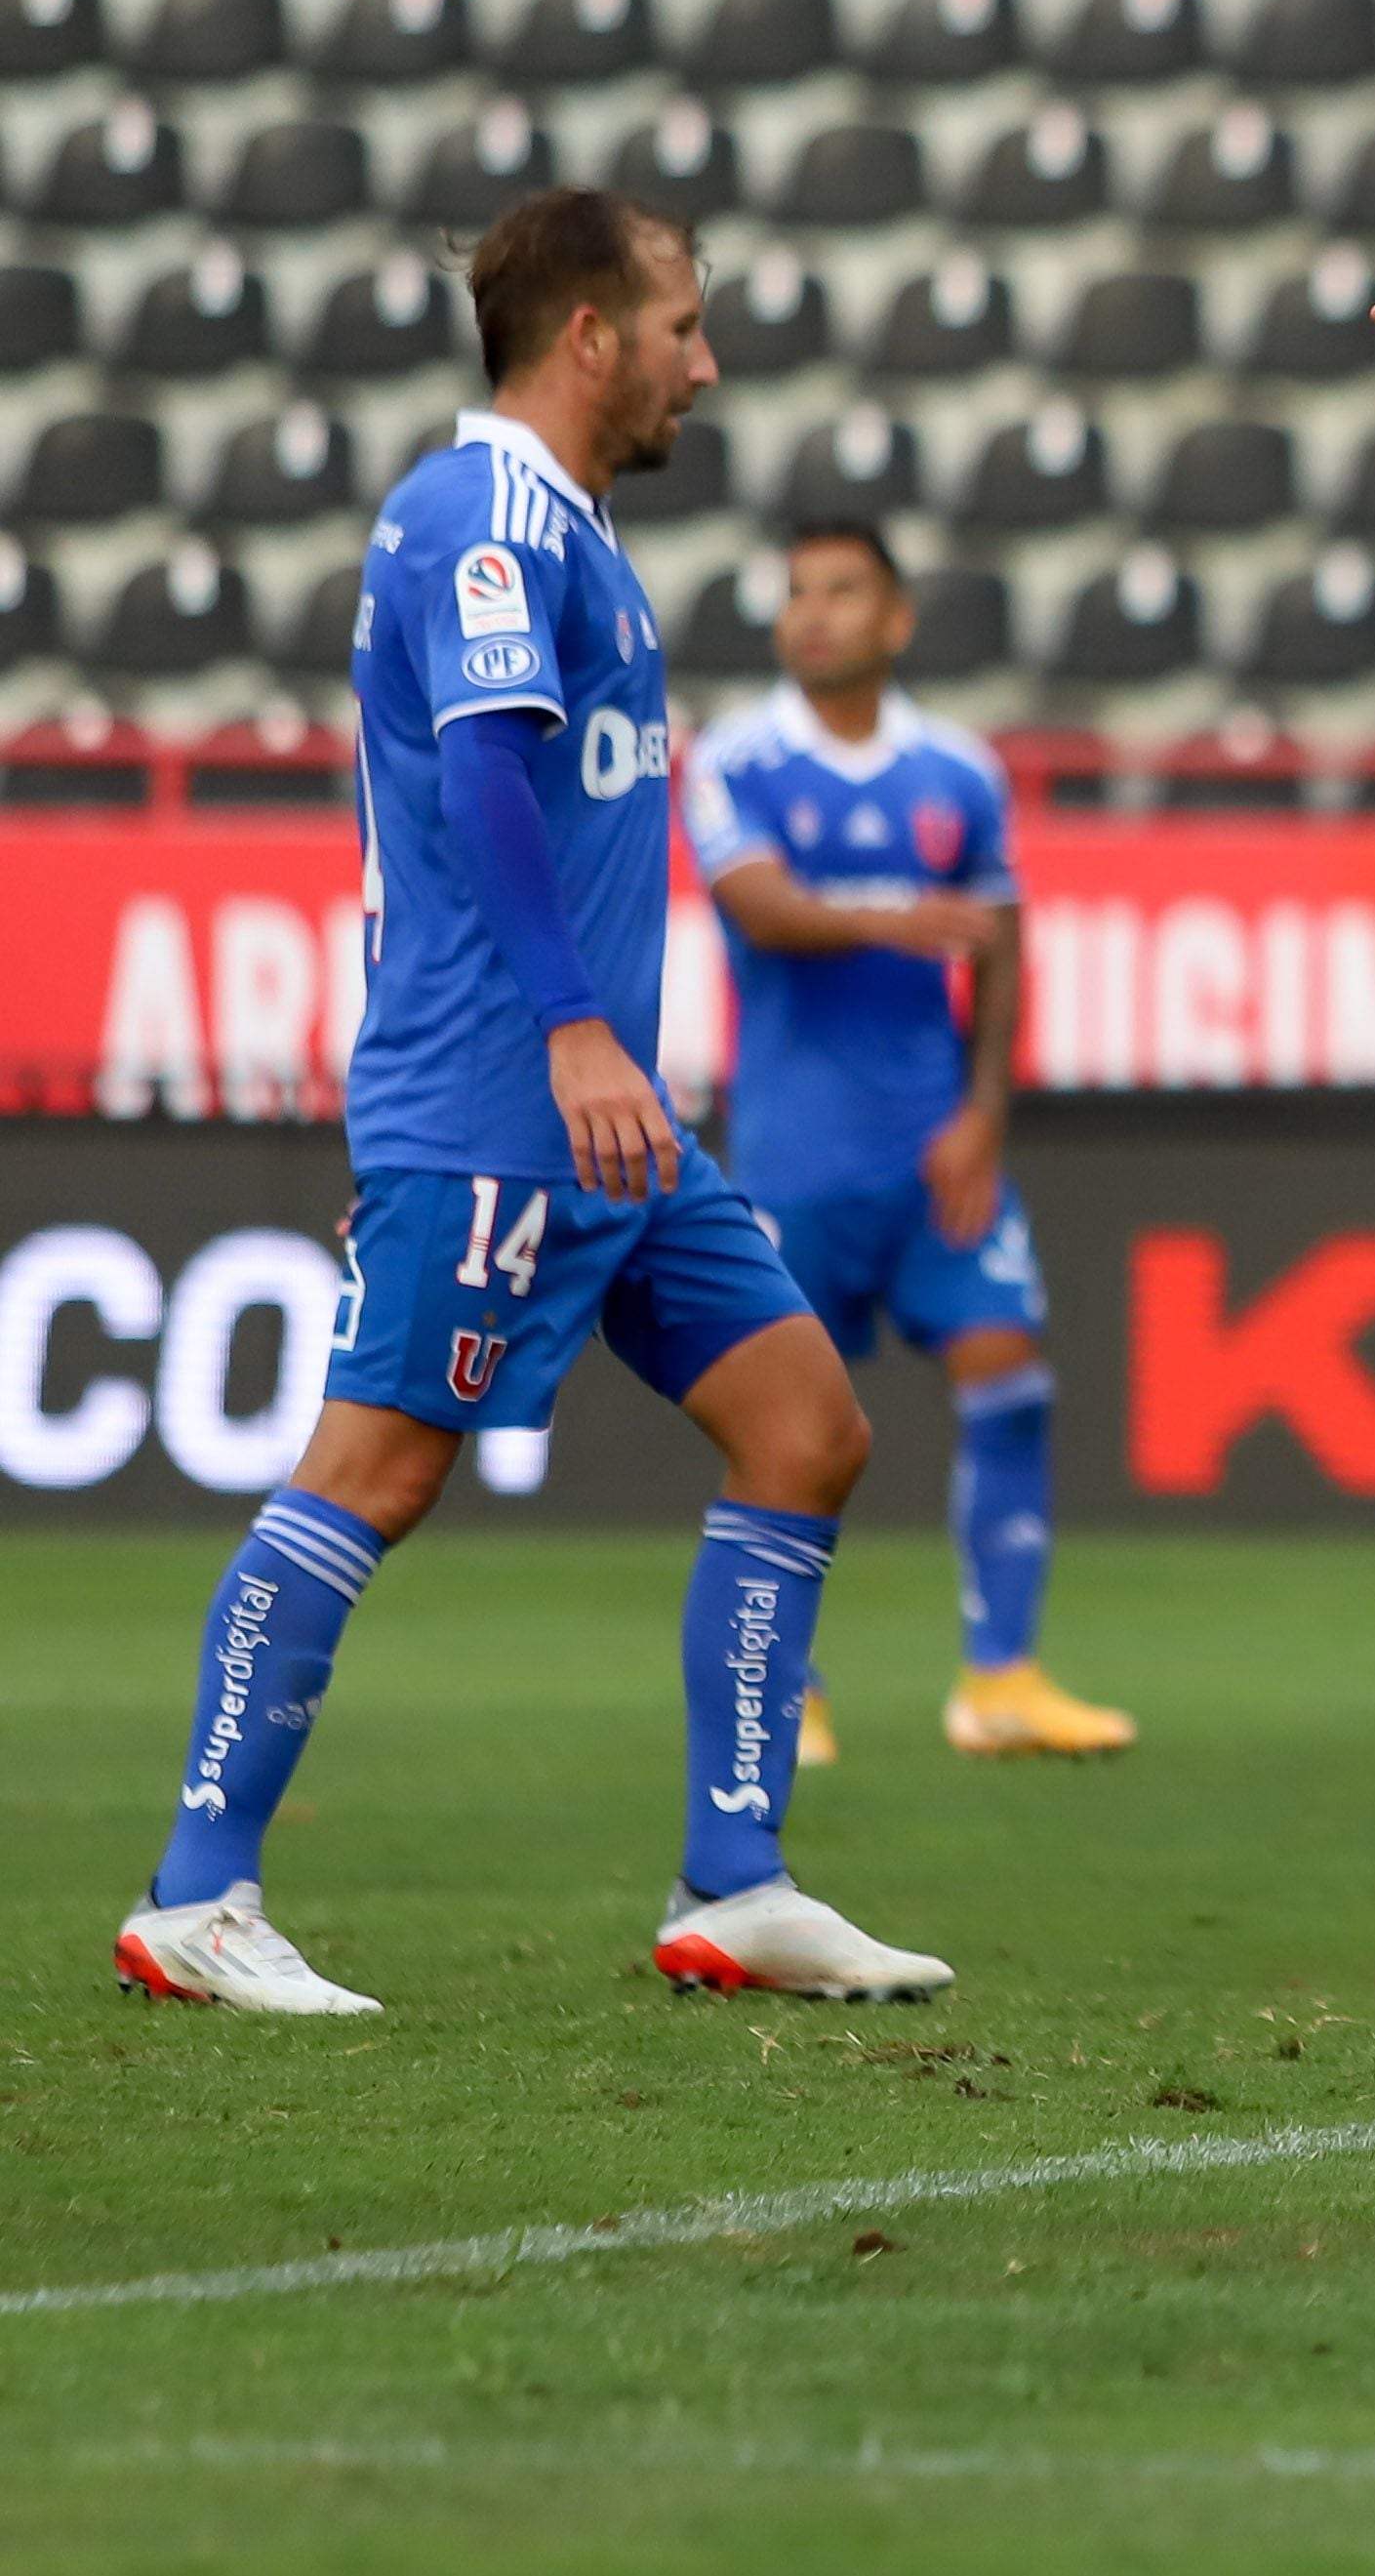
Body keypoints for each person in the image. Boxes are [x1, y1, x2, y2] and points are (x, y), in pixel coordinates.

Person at [113, 189, 951, 2013]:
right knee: (377, 1468)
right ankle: (198, 1889)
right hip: (498, 1102)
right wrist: (573, 1031)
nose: (701, 367)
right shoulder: (482, 511)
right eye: (681, 328)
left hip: (616, 1123)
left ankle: (735, 1874)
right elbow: (490, 772)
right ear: (591, 337)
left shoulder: (561, 526)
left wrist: (605, 1063)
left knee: (807, 1424)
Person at [681, 521, 1137, 1766]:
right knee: (786, 1429)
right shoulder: (737, 756)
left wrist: (986, 1104)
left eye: (842, 592)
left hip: (936, 1146)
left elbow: (999, 939)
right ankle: (791, 1686)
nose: (813, 613)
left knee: (1013, 1379)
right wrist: (889, 917)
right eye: (796, 592)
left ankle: (1002, 1677)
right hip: (793, 1156)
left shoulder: (959, 770)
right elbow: (755, 908)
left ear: (896, 620)